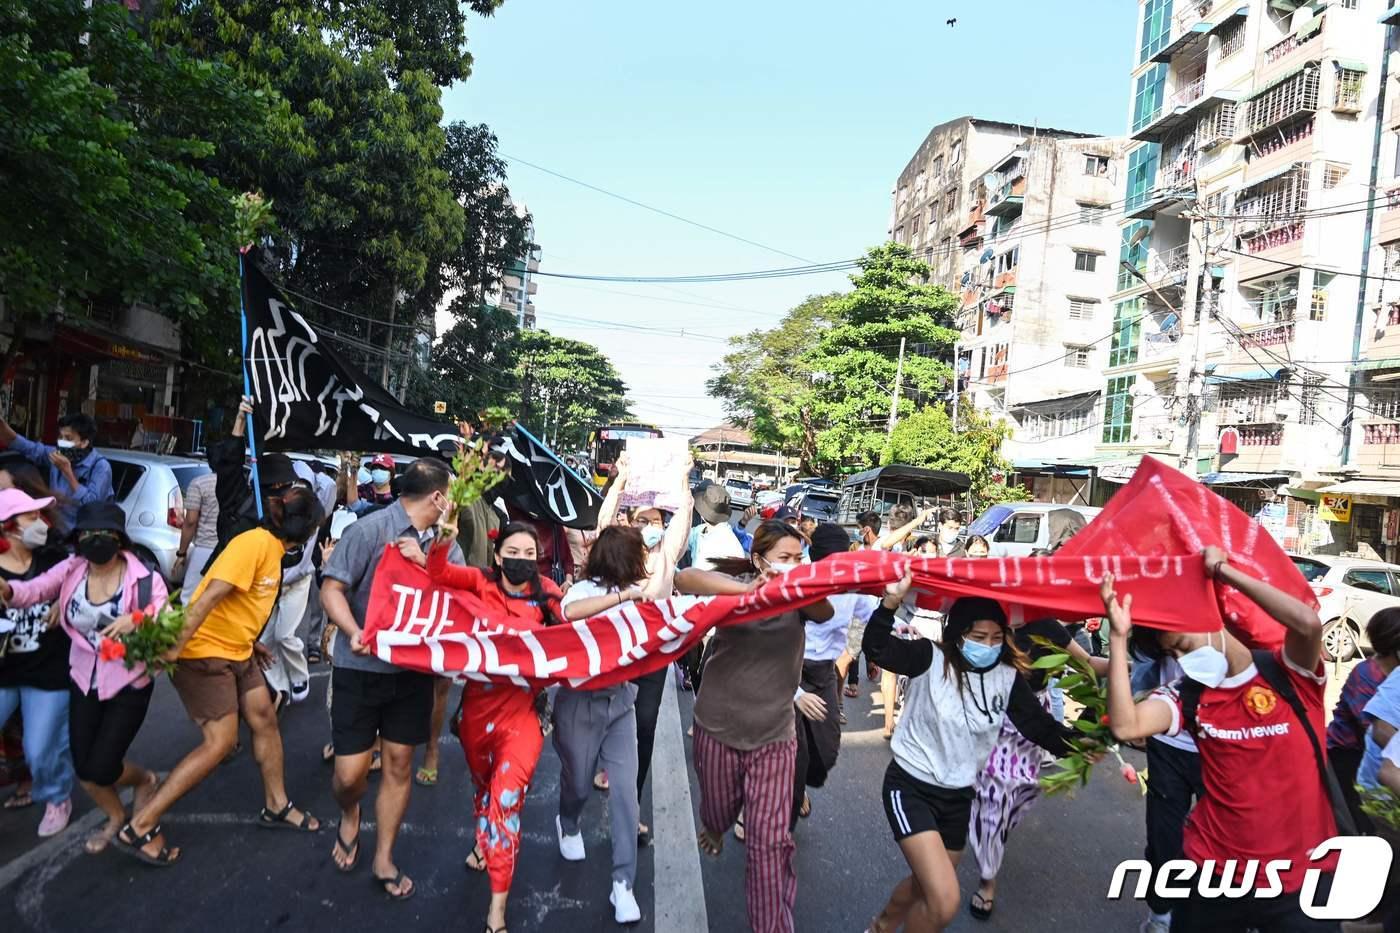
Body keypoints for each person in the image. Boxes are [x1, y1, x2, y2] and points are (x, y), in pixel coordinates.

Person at [1102, 547, 1341, 932]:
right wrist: (1117, 636)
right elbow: (1127, 726)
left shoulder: (1289, 675)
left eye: (1182, 645)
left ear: (1211, 618)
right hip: (1214, 873)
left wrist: (1224, 573)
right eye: (1173, 654)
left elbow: (1308, 624)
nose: (1181, 659)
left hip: (1302, 878)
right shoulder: (1188, 695)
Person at [119, 486, 325, 866]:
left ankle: (277, 805)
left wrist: (251, 641)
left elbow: (242, 603)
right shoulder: (255, 544)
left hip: (238, 651)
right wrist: (174, 648)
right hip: (204, 654)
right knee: (220, 743)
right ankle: (142, 822)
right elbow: (211, 595)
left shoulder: (273, 550)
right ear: (307, 529)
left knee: (264, 718)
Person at [862, 578, 1076, 933]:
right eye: (978, 638)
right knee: (944, 900)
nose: (988, 646)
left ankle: (882, 925)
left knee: (923, 885)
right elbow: (878, 649)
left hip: (960, 797)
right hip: (911, 787)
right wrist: (889, 605)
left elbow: (1041, 728)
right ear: (958, 634)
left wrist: (1089, 742)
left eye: (996, 638)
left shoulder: (1007, 677)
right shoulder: (929, 658)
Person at [676, 520, 834, 933]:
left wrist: (799, 582)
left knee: (768, 846)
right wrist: (746, 591)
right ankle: (713, 825)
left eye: (799, 557)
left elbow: (825, 611)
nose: (793, 565)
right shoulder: (736, 583)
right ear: (758, 559)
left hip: (774, 738)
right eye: (784, 559)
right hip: (717, 729)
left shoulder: (800, 594)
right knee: (718, 809)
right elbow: (684, 577)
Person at [321, 459, 458, 900]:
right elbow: (332, 588)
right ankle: (350, 814)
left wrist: (434, 565)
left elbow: (457, 594)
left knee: (399, 764)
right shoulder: (370, 531)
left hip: (411, 675)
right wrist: (353, 631)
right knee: (349, 775)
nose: (452, 503)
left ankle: (384, 855)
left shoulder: (444, 544)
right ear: (437, 497)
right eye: (450, 495)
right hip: (359, 671)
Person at [416, 520, 561, 933]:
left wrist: (620, 598)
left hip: (524, 715)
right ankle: (484, 841)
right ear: (497, 557)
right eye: (512, 554)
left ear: (539, 560)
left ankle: (496, 910)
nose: (520, 562)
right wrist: (444, 537)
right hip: (477, 713)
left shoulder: (547, 594)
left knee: (505, 802)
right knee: (484, 790)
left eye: (529, 555)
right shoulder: (480, 582)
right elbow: (439, 574)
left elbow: (575, 622)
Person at [1, 501, 165, 853]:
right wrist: (9, 592)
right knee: (84, 766)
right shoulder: (73, 568)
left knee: (102, 766)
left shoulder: (144, 579)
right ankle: (116, 815)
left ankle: (144, 780)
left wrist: (137, 619)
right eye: (88, 534)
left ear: (119, 540)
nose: (95, 540)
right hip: (82, 675)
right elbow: (39, 588)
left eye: (104, 534)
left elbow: (164, 613)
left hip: (128, 681)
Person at [554, 526, 658, 924]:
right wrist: (623, 597)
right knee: (578, 783)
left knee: (626, 796)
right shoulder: (585, 592)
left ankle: (623, 884)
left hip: (621, 703)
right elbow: (567, 612)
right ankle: (567, 821)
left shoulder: (640, 592)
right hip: (579, 702)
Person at [0, 488, 74, 837]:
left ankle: (57, 797)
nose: (41, 523)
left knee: (41, 748)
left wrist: (64, 599)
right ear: (8, 526)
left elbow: (85, 573)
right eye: (32, 517)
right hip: (3, 674)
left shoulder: (55, 559)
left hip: (47, 672)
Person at [793, 523, 877, 823]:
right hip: (789, 672)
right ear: (816, 560)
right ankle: (776, 810)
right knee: (794, 753)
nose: (835, 568)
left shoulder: (851, 585)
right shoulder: (797, 582)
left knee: (827, 750)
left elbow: (875, 616)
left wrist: (902, 624)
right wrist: (795, 693)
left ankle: (798, 784)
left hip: (825, 675)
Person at [1327, 610, 1399, 834]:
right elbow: (1374, 729)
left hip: (1371, 757)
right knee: (1357, 820)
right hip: (1345, 753)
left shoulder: (1393, 673)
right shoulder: (1366, 674)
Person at [258, 459, 321, 708]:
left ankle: (299, 677)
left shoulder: (312, 513)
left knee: (285, 635)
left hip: (298, 581)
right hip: (272, 584)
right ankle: (280, 686)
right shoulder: (274, 515)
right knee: (265, 641)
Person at [0, 412, 113, 529]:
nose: (62, 442)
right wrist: (3, 427)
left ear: (84, 442)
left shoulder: (100, 467)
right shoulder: (56, 455)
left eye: (68, 438)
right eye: (60, 437)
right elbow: (28, 448)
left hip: (82, 535)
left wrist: (68, 473)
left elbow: (91, 506)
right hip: (58, 531)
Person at [175, 470, 219, 606]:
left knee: (190, 598)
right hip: (232, 548)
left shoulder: (199, 483)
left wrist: (182, 553)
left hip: (205, 548)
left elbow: (191, 521)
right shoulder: (239, 484)